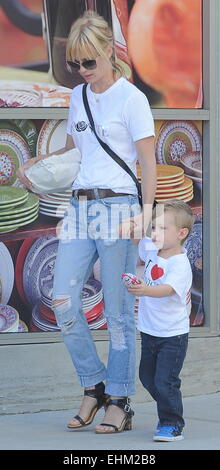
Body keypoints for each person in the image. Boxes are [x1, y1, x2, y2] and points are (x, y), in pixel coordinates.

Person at [17, 10, 156, 434]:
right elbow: (78, 151)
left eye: (89, 62)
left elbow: (147, 161)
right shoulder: (78, 96)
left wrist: (146, 213)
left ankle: (119, 398)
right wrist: (41, 163)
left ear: (108, 53)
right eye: (76, 64)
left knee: (117, 313)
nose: (82, 71)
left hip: (119, 210)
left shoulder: (132, 99)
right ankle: (93, 385)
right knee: (62, 302)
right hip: (78, 209)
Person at [126, 200, 194, 441]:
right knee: (147, 377)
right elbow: (138, 241)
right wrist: (133, 227)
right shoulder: (153, 250)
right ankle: (169, 403)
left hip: (172, 335)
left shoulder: (180, 264)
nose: (155, 233)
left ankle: (172, 423)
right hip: (149, 331)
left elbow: (166, 289)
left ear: (181, 233)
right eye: (153, 227)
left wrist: (144, 290)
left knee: (165, 380)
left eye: (162, 229)